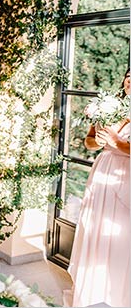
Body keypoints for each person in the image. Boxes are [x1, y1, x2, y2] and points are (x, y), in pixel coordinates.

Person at [66, 70, 130, 307]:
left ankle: (120, 295)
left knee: (121, 235)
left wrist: (118, 144)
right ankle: (93, 292)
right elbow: (89, 140)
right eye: (128, 75)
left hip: (125, 176)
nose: (130, 80)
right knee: (96, 228)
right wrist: (100, 142)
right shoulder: (109, 105)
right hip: (103, 171)